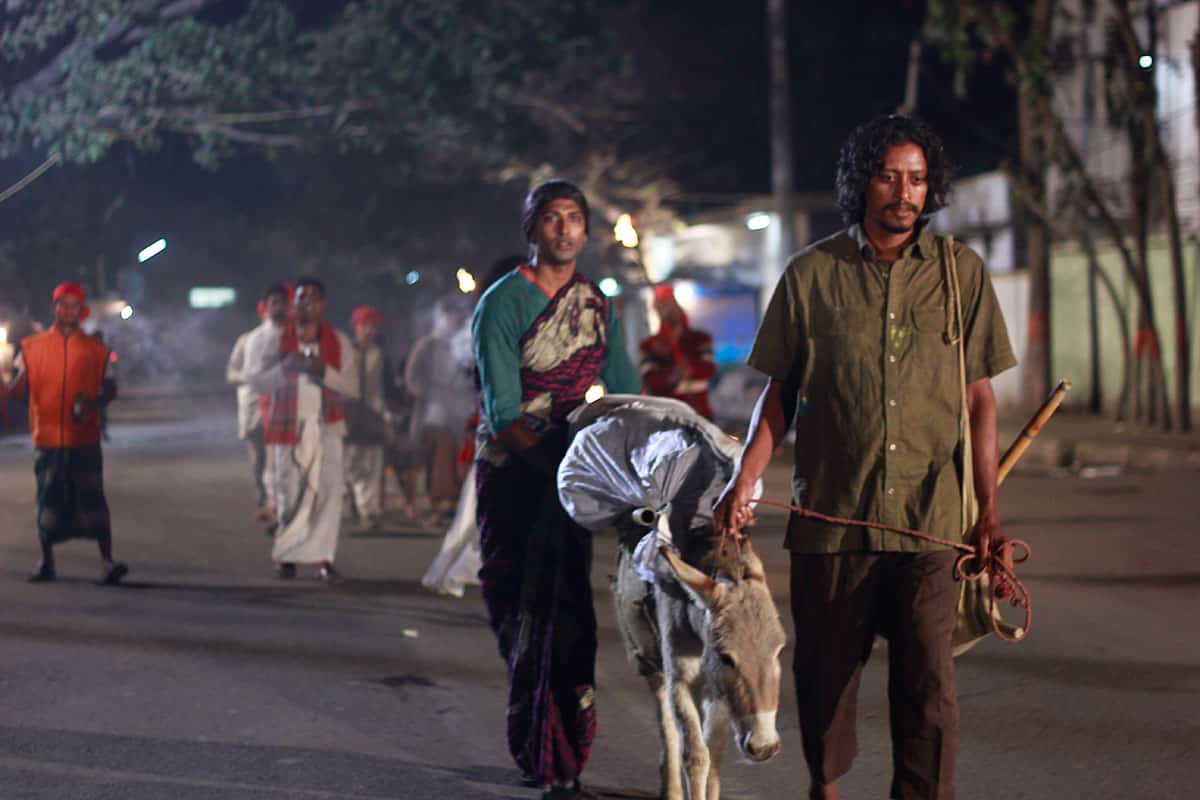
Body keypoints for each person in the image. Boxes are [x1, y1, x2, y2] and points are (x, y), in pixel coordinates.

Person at [714, 114, 1017, 800]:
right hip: (833, 519)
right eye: (888, 177)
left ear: (930, 187)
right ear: (862, 183)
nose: (904, 193)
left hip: (931, 522)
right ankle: (825, 787)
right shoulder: (811, 274)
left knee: (928, 687)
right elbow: (778, 395)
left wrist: (989, 514)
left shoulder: (961, 274)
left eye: (917, 179)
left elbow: (980, 401)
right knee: (825, 679)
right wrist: (744, 478)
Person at [473, 180, 641, 800]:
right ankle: (535, 741)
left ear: (586, 231)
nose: (564, 229)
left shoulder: (596, 304)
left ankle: (562, 757)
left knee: (568, 615)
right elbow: (502, 412)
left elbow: (625, 391)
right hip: (514, 474)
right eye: (551, 218)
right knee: (518, 611)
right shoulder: (502, 303)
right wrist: (556, 464)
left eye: (574, 218)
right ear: (532, 230)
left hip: (571, 477)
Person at [4, 283, 126, 584]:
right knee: (47, 500)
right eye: (62, 304)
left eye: (73, 305)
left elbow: (111, 389)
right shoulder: (31, 348)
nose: (67, 310)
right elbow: (17, 392)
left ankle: (107, 562)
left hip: (84, 437)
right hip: (46, 438)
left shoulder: (96, 350)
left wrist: (93, 404)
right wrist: (14, 379)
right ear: (54, 308)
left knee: (93, 499)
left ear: (80, 310)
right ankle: (47, 562)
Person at [245, 277, 359, 583]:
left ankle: (324, 558)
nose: (306, 302)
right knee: (290, 493)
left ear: (323, 305)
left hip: (327, 427)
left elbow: (352, 387)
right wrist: (285, 369)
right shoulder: (274, 340)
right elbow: (257, 383)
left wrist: (324, 371)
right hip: (289, 427)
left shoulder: (339, 342)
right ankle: (288, 556)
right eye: (300, 297)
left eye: (312, 297)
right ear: (293, 303)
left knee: (328, 493)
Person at [404, 295, 475, 524]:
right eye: (449, 315)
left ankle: (451, 504)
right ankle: (438, 503)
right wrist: (426, 394)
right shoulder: (428, 344)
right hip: (434, 411)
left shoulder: (465, 344)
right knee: (439, 455)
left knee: (458, 457)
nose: (453, 320)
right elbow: (412, 376)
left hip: (461, 409)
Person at [227, 286, 289, 521]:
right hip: (254, 406)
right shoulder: (249, 340)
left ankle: (277, 504)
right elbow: (233, 372)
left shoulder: (291, 335)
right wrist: (252, 378)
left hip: (283, 406)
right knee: (261, 456)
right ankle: (266, 498)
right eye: (272, 305)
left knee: (281, 458)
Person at [343, 305, 401, 529]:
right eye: (364, 326)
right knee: (349, 462)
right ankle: (348, 505)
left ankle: (369, 511)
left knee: (372, 464)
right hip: (348, 414)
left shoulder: (381, 355)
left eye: (372, 326)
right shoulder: (345, 352)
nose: (368, 331)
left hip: (374, 414)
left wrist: (396, 407)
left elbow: (389, 386)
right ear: (355, 327)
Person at [638, 284, 717, 419]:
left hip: (698, 411)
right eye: (663, 305)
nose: (668, 310)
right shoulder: (649, 346)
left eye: (670, 304)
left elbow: (708, 367)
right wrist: (672, 376)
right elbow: (649, 378)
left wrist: (689, 368)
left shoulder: (700, 339)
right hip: (664, 415)